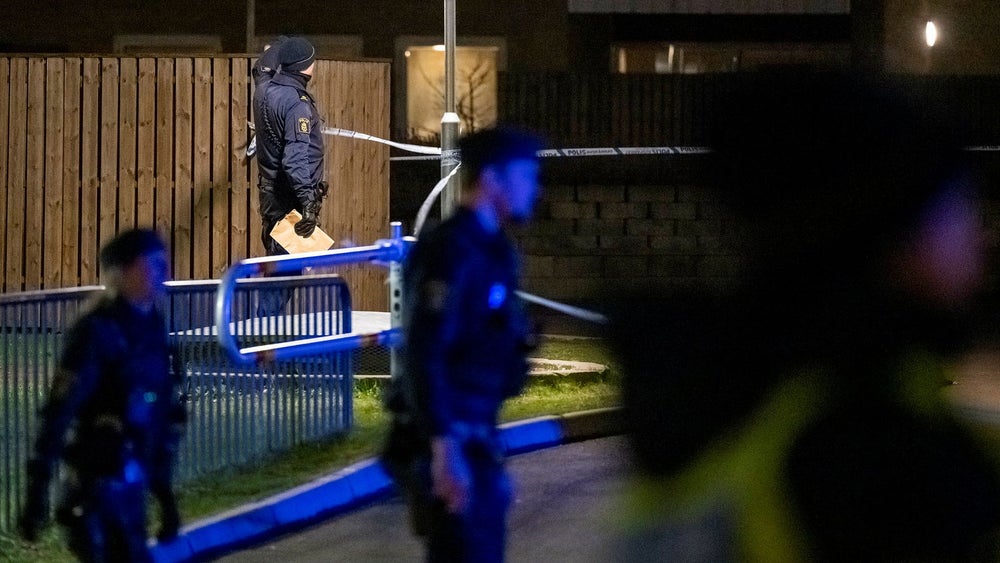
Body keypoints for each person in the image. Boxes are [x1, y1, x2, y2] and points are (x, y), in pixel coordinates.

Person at [605, 73, 1000, 561]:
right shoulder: (869, 456)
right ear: (884, 233)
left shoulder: (733, 402)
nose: (979, 238)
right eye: (958, 209)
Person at [382, 126, 543, 562]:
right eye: (525, 176)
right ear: (491, 178)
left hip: (478, 438)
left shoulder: (496, 251)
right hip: (452, 442)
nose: (534, 188)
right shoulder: (452, 250)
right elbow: (426, 350)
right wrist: (444, 451)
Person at [18, 229, 186, 561]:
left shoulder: (152, 324)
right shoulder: (96, 331)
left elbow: (161, 411)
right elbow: (59, 411)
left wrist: (164, 494)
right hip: (95, 485)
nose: (163, 272)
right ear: (122, 272)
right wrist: (37, 492)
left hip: (132, 483)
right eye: (152, 263)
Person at [252, 35, 328, 256]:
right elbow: (294, 160)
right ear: (306, 67)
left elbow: (261, 67)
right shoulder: (297, 103)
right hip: (289, 196)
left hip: (270, 193)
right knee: (287, 267)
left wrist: (281, 45)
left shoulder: (264, 88)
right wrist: (309, 203)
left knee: (276, 260)